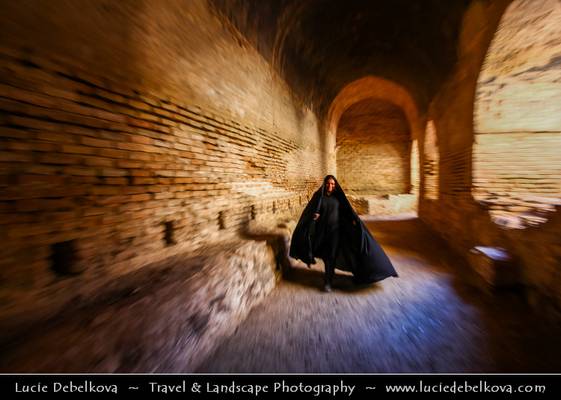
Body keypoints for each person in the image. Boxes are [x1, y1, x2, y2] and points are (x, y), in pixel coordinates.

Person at [289, 175, 398, 292]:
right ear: (325, 184)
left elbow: (347, 212)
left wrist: (354, 221)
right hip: (322, 233)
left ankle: (328, 282)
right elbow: (310, 212)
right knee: (327, 256)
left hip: (335, 233)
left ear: (335, 186)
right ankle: (328, 279)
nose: (330, 186)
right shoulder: (319, 197)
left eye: (333, 184)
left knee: (331, 257)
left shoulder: (338, 198)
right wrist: (314, 217)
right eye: (328, 183)